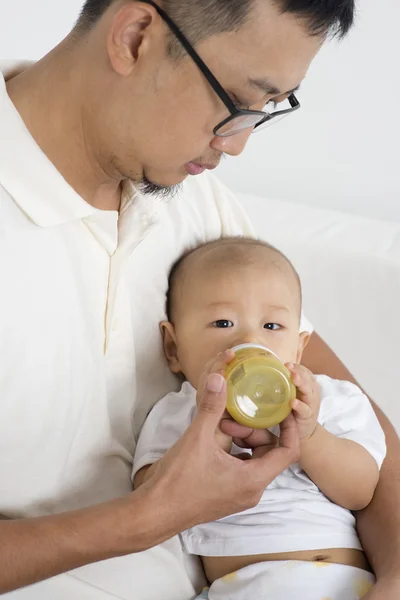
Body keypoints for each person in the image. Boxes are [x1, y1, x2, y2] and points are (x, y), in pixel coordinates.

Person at [0, 0, 399, 598]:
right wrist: (146, 517)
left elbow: (362, 428)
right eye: (238, 101)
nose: (235, 146)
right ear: (135, 37)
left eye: (267, 110)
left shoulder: (195, 205)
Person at [133, 237, 386, 600]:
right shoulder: (175, 412)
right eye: (222, 322)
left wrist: (310, 435)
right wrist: (211, 431)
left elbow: (361, 491)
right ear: (173, 348)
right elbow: (151, 498)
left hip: (337, 583)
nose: (250, 339)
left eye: (272, 327)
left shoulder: (329, 399)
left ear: (299, 347)